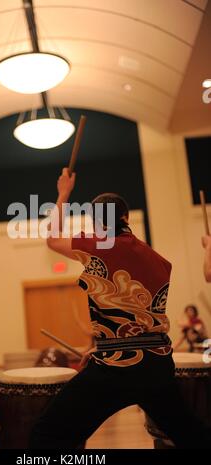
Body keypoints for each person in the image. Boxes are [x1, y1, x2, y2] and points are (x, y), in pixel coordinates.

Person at [29, 168, 211, 449]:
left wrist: (63, 192)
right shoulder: (160, 261)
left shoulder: (97, 245)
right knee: (192, 436)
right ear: (127, 218)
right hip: (157, 366)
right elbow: (141, 317)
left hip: (116, 367)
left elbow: (52, 239)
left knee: (48, 436)